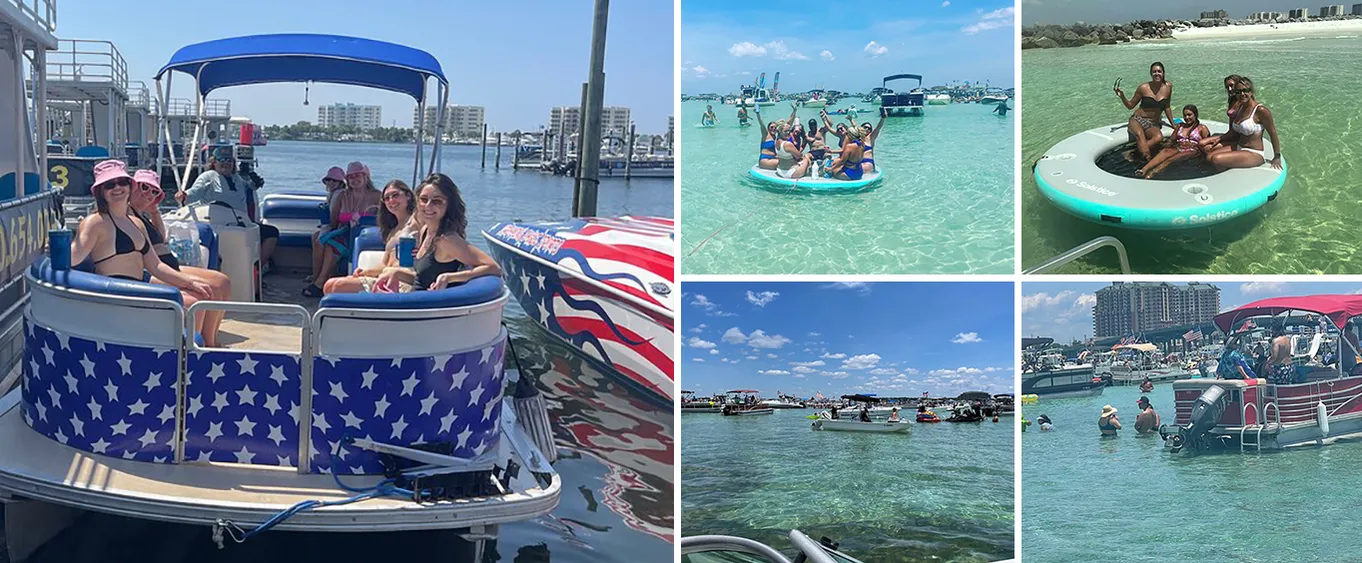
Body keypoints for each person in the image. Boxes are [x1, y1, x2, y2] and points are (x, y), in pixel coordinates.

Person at [72, 160, 213, 299]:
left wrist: (190, 283)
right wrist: (57, 248)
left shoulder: (137, 223)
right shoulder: (95, 222)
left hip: (138, 288)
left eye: (122, 182)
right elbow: (73, 257)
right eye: (109, 185)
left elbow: (156, 266)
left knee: (202, 294)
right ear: (100, 191)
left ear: (129, 186)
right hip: (116, 293)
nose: (117, 188)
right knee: (192, 302)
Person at [129, 169, 231, 347]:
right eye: (144, 187)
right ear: (131, 187)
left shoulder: (141, 214)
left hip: (168, 265)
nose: (148, 194)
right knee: (208, 290)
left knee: (222, 281)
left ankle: (212, 340)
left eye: (154, 192)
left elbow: (161, 238)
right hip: (154, 269)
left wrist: (154, 211)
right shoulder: (128, 215)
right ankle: (205, 345)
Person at [372, 173, 501, 292]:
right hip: (414, 300)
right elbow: (422, 279)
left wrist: (450, 277)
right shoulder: (425, 231)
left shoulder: (446, 240)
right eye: (423, 199)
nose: (428, 206)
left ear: (448, 205)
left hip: (427, 309)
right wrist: (396, 273)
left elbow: (493, 267)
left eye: (437, 201)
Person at [176, 146, 279, 271]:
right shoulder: (208, 176)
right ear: (214, 162)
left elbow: (249, 187)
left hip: (240, 222)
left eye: (229, 160)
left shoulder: (237, 178)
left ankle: (256, 270)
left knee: (272, 232)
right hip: (218, 223)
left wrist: (256, 183)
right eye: (222, 159)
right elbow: (195, 192)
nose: (226, 163)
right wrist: (184, 195)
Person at [324, 179, 418, 294]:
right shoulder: (392, 230)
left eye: (395, 195)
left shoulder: (416, 223)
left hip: (403, 282)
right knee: (330, 285)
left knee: (337, 286)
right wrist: (366, 271)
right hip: (386, 276)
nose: (391, 200)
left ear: (408, 195)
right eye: (387, 198)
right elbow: (385, 264)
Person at [304, 162, 383, 296]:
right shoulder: (343, 195)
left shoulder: (377, 195)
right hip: (344, 232)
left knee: (329, 243)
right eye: (351, 177)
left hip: (365, 235)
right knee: (327, 242)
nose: (355, 180)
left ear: (366, 177)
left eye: (358, 175)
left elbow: (384, 219)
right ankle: (320, 280)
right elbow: (334, 220)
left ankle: (320, 282)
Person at [1204, 77, 1283, 172]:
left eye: (1245, 90)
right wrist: (1217, 140)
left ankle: (1228, 177)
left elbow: (1273, 134)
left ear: (1252, 92)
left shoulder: (1260, 110)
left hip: (1254, 153)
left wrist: (1277, 156)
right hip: (1239, 146)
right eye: (1238, 92)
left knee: (1216, 159)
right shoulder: (1241, 107)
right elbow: (1233, 132)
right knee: (1209, 156)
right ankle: (1225, 171)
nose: (1242, 94)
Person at [1113, 62, 1176, 160]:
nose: (1157, 74)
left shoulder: (1168, 86)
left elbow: (1167, 106)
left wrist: (1173, 124)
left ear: (1163, 73)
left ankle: (1132, 152)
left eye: (1159, 71)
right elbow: (1130, 106)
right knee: (1140, 135)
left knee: (1158, 137)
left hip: (1153, 123)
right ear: (1151, 74)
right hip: (1137, 119)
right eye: (1154, 72)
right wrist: (1122, 96)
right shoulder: (1143, 88)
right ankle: (1147, 161)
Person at [1137, 104, 1210, 178]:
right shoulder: (1180, 126)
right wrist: (1164, 146)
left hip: (1192, 150)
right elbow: (1171, 140)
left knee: (1171, 159)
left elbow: (1207, 144)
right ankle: (1143, 169)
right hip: (1179, 147)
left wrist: (1194, 146)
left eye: (1189, 115)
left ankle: (1152, 173)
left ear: (1195, 114)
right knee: (1165, 151)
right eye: (1185, 115)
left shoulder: (1202, 128)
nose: (1187, 117)